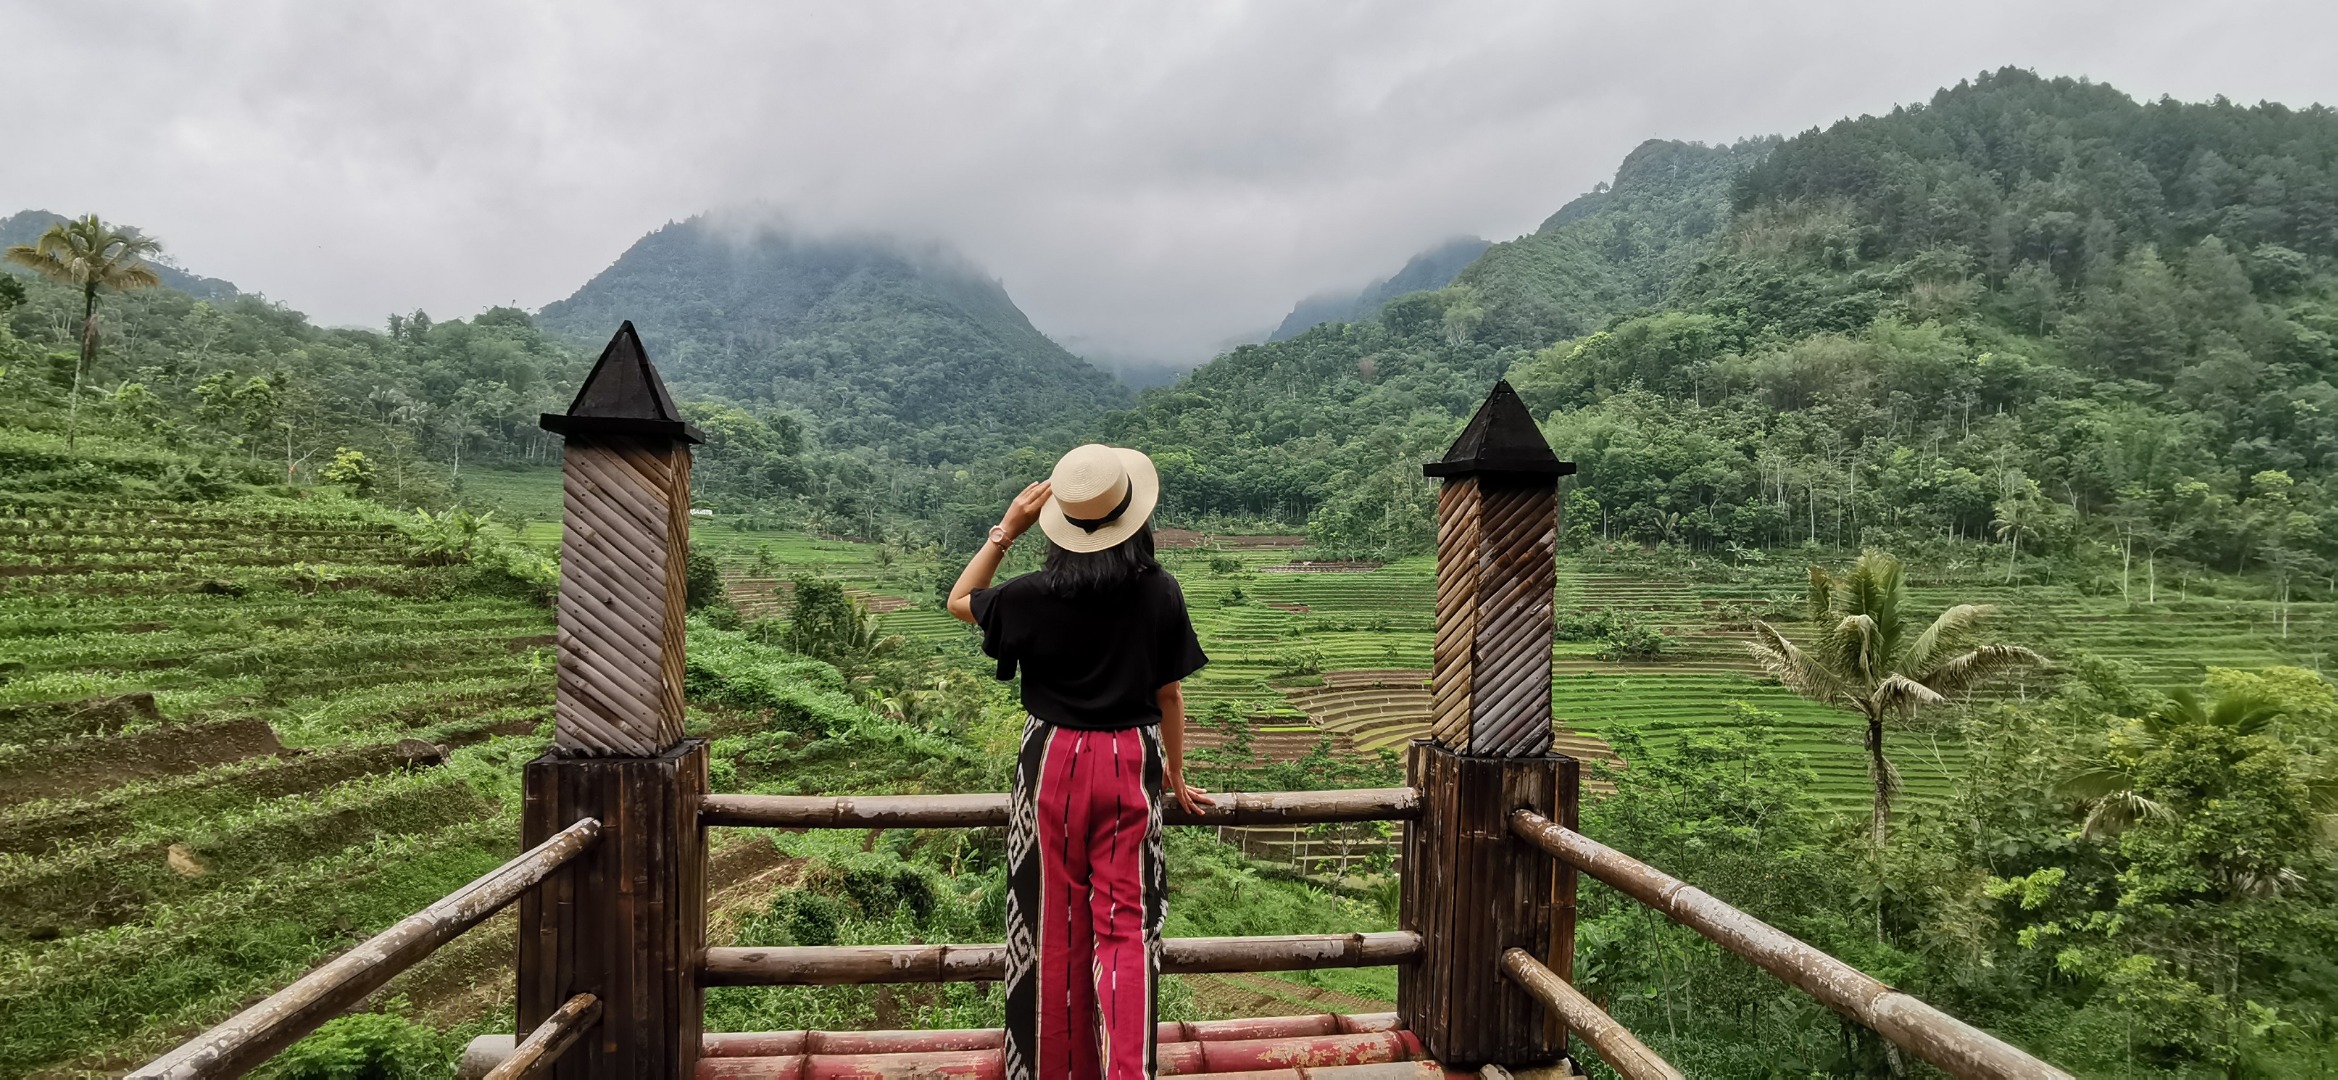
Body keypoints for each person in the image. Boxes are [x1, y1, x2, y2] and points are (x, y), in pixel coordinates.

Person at [947, 442, 1212, 1080]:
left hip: (1052, 761)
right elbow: (1170, 694)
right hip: (1129, 760)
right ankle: (1129, 1072)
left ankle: (1054, 1068)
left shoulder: (1030, 595)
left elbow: (961, 599)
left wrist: (1004, 530)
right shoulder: (1159, 591)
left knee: (1052, 921)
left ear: (1059, 525)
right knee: (1126, 927)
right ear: (1134, 517)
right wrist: (1175, 774)